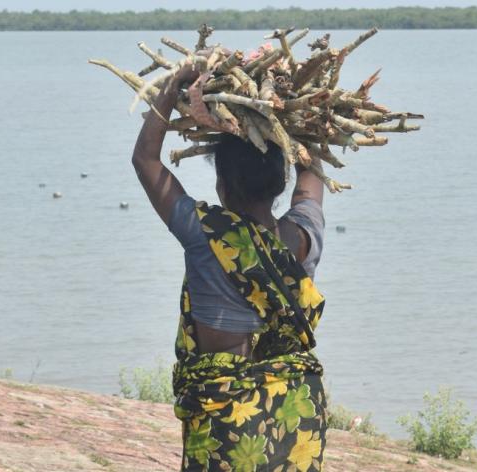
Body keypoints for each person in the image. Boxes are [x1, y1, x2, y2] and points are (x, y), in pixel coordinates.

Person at [132, 63, 327, 472]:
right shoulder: (305, 238)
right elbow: (311, 169)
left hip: (226, 419)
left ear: (222, 184)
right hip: (295, 414)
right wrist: (297, 116)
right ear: (280, 180)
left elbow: (145, 158)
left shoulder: (205, 234)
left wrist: (172, 87)